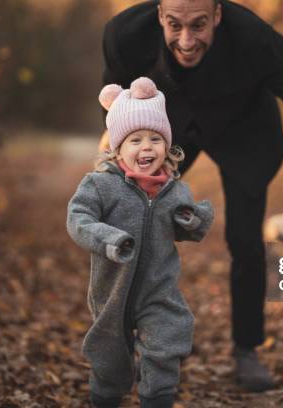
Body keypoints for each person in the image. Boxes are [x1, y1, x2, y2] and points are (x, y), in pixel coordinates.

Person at [99, 0, 283, 392]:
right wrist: (120, 160)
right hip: (166, 130)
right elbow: (115, 102)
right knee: (133, 231)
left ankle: (247, 350)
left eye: (199, 25)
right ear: (159, 14)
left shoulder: (256, 40)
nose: (186, 40)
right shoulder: (123, 35)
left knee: (246, 242)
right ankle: (128, 346)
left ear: (217, 14)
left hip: (244, 134)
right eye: (174, 25)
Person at [68, 77, 214, 408]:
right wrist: (109, 238)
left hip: (158, 291)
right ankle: (104, 397)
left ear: (167, 145)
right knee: (110, 362)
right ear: (118, 147)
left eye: (155, 139)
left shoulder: (174, 189)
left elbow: (189, 228)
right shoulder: (100, 185)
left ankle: (158, 397)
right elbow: (78, 220)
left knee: (166, 348)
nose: (146, 147)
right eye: (135, 139)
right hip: (111, 293)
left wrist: (192, 219)